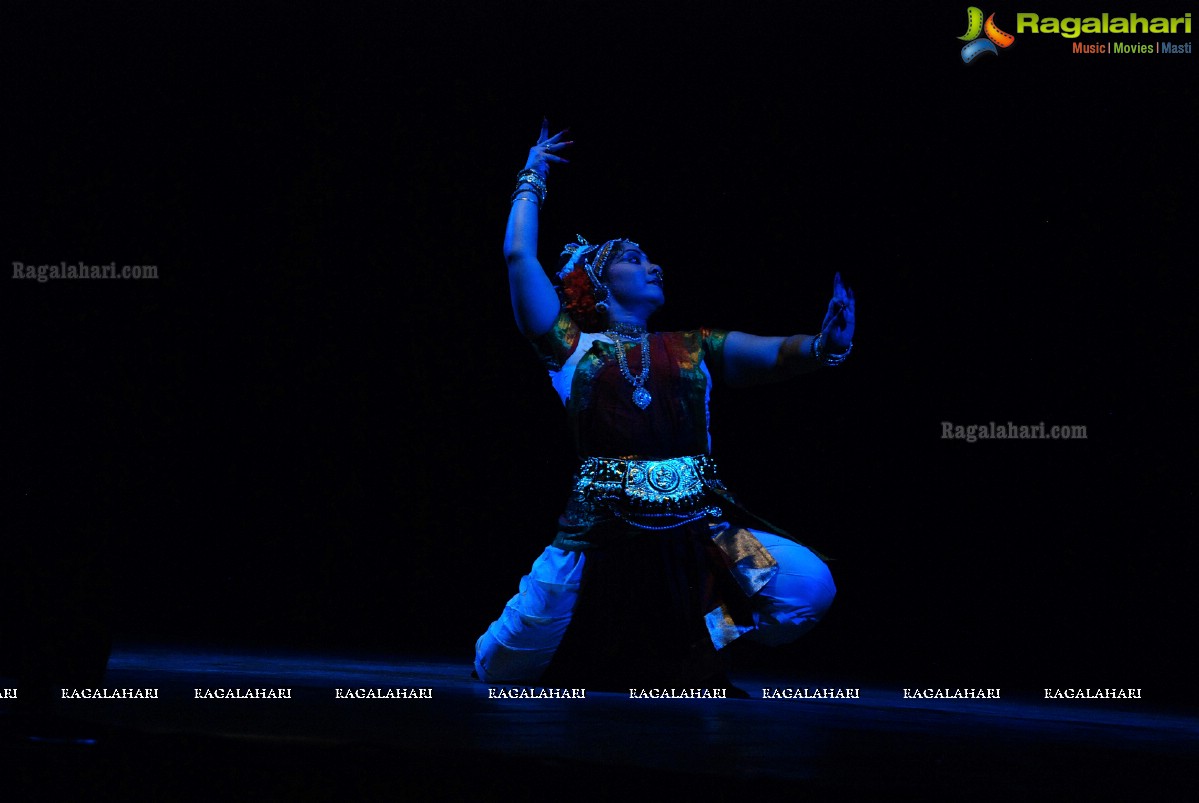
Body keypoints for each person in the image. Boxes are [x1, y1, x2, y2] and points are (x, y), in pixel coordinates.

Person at [474, 119, 854, 691]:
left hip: (700, 531)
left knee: (809, 586)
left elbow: (778, 354)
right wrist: (532, 176)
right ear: (598, 283)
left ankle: (701, 632)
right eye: (634, 257)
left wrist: (825, 345)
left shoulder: (695, 346)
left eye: (651, 259)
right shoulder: (569, 347)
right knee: (502, 666)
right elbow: (516, 256)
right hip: (597, 535)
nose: (654, 264)